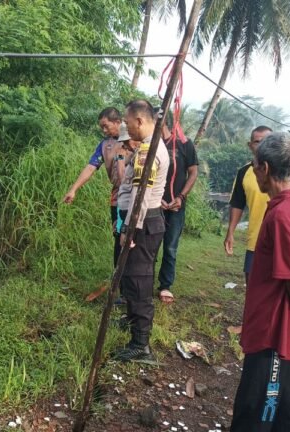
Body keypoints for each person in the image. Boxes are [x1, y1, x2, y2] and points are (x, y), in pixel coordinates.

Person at [231, 132, 290, 432]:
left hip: (271, 336)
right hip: (283, 335)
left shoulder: (282, 216)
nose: (253, 170)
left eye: (254, 164)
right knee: (286, 414)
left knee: (254, 415)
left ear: (265, 169)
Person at [113, 100, 170, 362]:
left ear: (139, 121)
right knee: (134, 277)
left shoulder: (148, 150)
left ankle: (140, 345)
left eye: (126, 122)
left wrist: (129, 229)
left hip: (143, 221)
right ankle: (133, 324)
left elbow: (141, 194)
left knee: (139, 281)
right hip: (145, 220)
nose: (125, 126)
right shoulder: (151, 146)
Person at [63, 107, 128, 264]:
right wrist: (73, 189)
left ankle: (136, 280)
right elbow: (91, 166)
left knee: (136, 239)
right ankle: (118, 280)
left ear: (118, 122)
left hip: (138, 197)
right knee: (119, 235)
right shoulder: (105, 145)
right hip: (117, 198)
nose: (104, 130)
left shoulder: (136, 139)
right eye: (102, 127)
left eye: (106, 126)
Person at [157, 120, 199, 304]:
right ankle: (142, 283)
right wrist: (155, 198)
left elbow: (193, 173)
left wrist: (181, 197)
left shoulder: (184, 144)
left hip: (176, 206)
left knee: (170, 247)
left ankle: (165, 285)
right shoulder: (150, 144)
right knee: (149, 246)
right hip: (153, 204)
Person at [224, 126, 273, 283]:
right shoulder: (244, 172)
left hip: (283, 239)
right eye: (258, 142)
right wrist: (230, 232)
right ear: (250, 145)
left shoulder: (287, 171)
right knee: (252, 286)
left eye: (267, 141)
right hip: (255, 241)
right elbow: (237, 203)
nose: (262, 145)